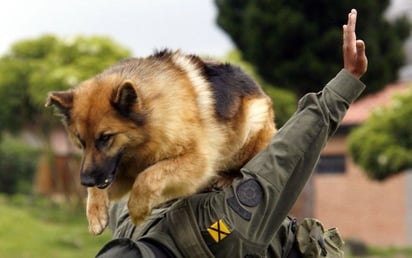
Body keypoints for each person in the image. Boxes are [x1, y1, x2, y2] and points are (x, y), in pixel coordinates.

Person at [96, 9, 368, 258]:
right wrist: (346, 81)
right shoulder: (226, 225)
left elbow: (114, 168)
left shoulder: (130, 222)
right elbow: (285, 155)